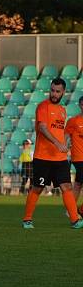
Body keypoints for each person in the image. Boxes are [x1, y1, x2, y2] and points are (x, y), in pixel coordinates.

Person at [22, 78, 83, 229]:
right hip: (43, 157)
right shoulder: (43, 107)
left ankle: (75, 220)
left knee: (67, 187)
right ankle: (27, 219)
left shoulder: (63, 110)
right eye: (52, 90)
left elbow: (62, 133)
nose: (54, 94)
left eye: (57, 91)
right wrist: (57, 143)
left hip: (60, 158)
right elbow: (42, 128)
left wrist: (66, 145)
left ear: (63, 92)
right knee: (37, 188)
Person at [65, 95, 83, 208]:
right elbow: (65, 135)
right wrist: (63, 148)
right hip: (79, 157)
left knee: (78, 184)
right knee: (78, 184)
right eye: (82, 104)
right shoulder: (74, 121)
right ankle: (74, 210)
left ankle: (71, 209)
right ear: (80, 105)